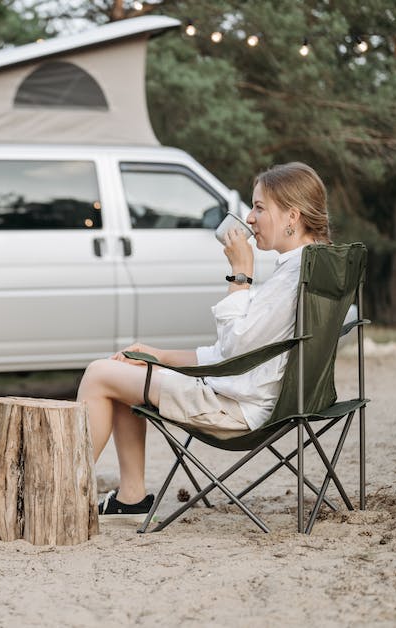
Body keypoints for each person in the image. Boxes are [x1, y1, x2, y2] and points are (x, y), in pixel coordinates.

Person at [77, 162, 332, 517]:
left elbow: (235, 348)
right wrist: (157, 355)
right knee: (121, 369)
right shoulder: (311, 267)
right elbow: (239, 354)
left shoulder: (292, 278)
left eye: (259, 207)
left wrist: (240, 275)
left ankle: (61, 492)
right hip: (259, 397)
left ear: (292, 215)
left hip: (237, 409)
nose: (249, 218)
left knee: (98, 374)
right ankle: (131, 498)